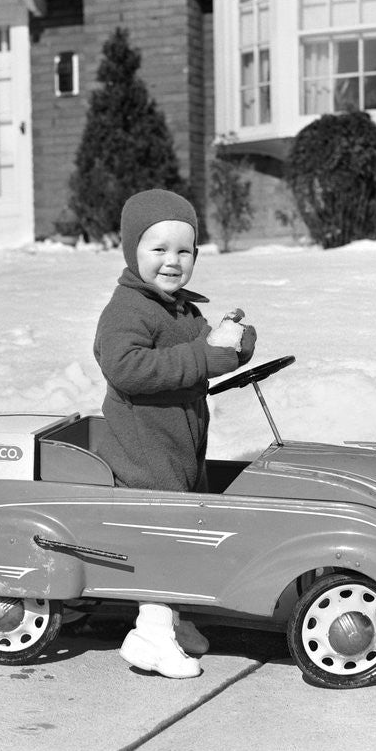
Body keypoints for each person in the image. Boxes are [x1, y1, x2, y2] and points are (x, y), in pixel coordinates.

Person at [93, 188, 256, 678]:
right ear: (132, 251)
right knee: (164, 538)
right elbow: (126, 367)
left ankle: (172, 617)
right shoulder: (128, 310)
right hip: (144, 448)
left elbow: (203, 350)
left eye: (183, 251)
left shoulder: (180, 308)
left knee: (184, 533)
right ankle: (150, 633)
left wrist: (234, 342)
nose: (172, 261)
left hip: (179, 446)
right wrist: (205, 357)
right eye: (158, 249)